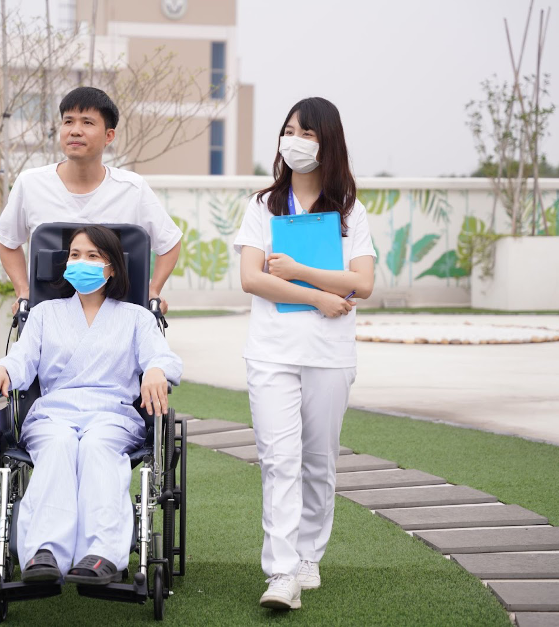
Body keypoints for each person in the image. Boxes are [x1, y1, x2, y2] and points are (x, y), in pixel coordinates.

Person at [0, 225, 183, 585]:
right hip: (54, 415)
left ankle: (102, 553)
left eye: (92, 256)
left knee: (97, 447)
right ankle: (44, 551)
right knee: (57, 445)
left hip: (112, 416)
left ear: (112, 267)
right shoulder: (44, 313)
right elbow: (22, 358)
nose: (81, 262)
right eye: (74, 255)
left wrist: (155, 370)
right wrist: (1, 370)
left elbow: (163, 358)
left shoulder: (136, 317)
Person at [232, 97, 376, 610]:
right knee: (279, 461)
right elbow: (252, 278)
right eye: (289, 130)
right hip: (271, 352)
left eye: (307, 133)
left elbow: (363, 283)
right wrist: (319, 296)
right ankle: (281, 572)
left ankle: (309, 555)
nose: (294, 140)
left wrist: (297, 271)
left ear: (327, 143)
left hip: (329, 354)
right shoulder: (263, 206)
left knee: (318, 461)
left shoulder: (350, 212)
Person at [0, 86, 182, 314]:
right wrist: (23, 291)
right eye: (68, 121)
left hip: (118, 317)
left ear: (109, 136)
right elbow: (8, 241)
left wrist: (152, 290)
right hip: (47, 317)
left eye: (87, 122)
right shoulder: (30, 183)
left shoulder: (132, 188)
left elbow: (170, 242)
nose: (75, 131)